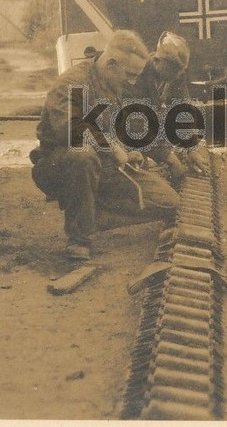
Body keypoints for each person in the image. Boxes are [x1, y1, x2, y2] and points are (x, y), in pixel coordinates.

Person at [30, 30, 180, 258]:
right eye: (130, 75)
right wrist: (112, 146)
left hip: (105, 164)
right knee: (82, 155)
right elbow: (70, 128)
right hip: (60, 164)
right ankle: (79, 238)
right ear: (111, 64)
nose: (133, 81)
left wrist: (134, 151)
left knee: (170, 203)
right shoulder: (72, 82)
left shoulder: (115, 83)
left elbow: (129, 126)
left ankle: (93, 215)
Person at [132, 31, 209, 184]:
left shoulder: (175, 74)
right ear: (157, 60)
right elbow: (136, 128)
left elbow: (183, 110)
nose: (179, 74)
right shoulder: (137, 75)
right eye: (174, 69)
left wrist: (191, 147)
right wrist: (169, 158)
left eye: (182, 70)